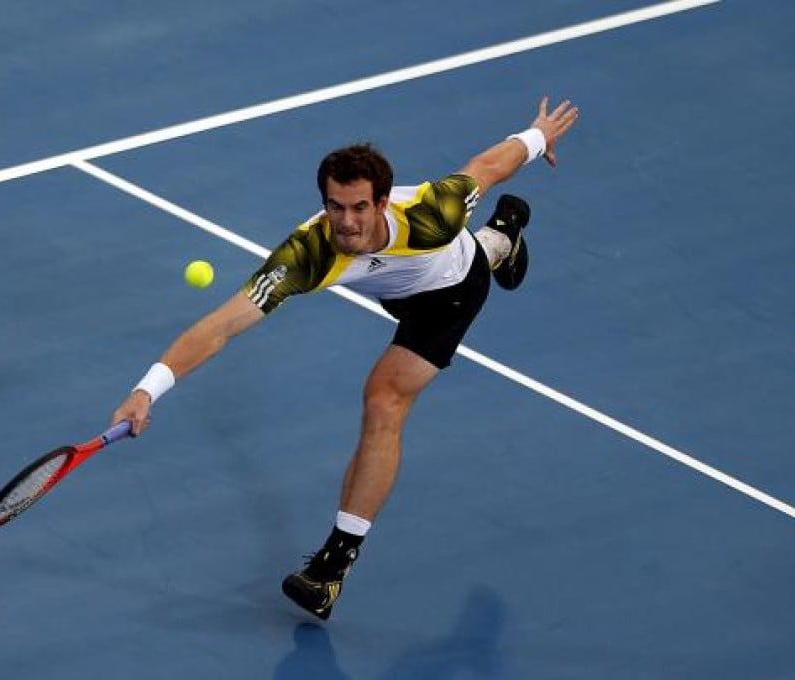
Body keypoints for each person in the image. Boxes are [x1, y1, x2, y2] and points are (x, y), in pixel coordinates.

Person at [112, 96, 579, 620]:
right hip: (397, 290)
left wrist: (539, 135)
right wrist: (146, 389)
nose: (347, 221)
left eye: (360, 207)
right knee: (448, 271)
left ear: (383, 202)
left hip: (450, 293)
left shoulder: (434, 211)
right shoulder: (309, 253)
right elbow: (220, 326)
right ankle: (501, 239)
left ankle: (333, 565)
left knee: (382, 400)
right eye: (336, 206)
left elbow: (489, 166)